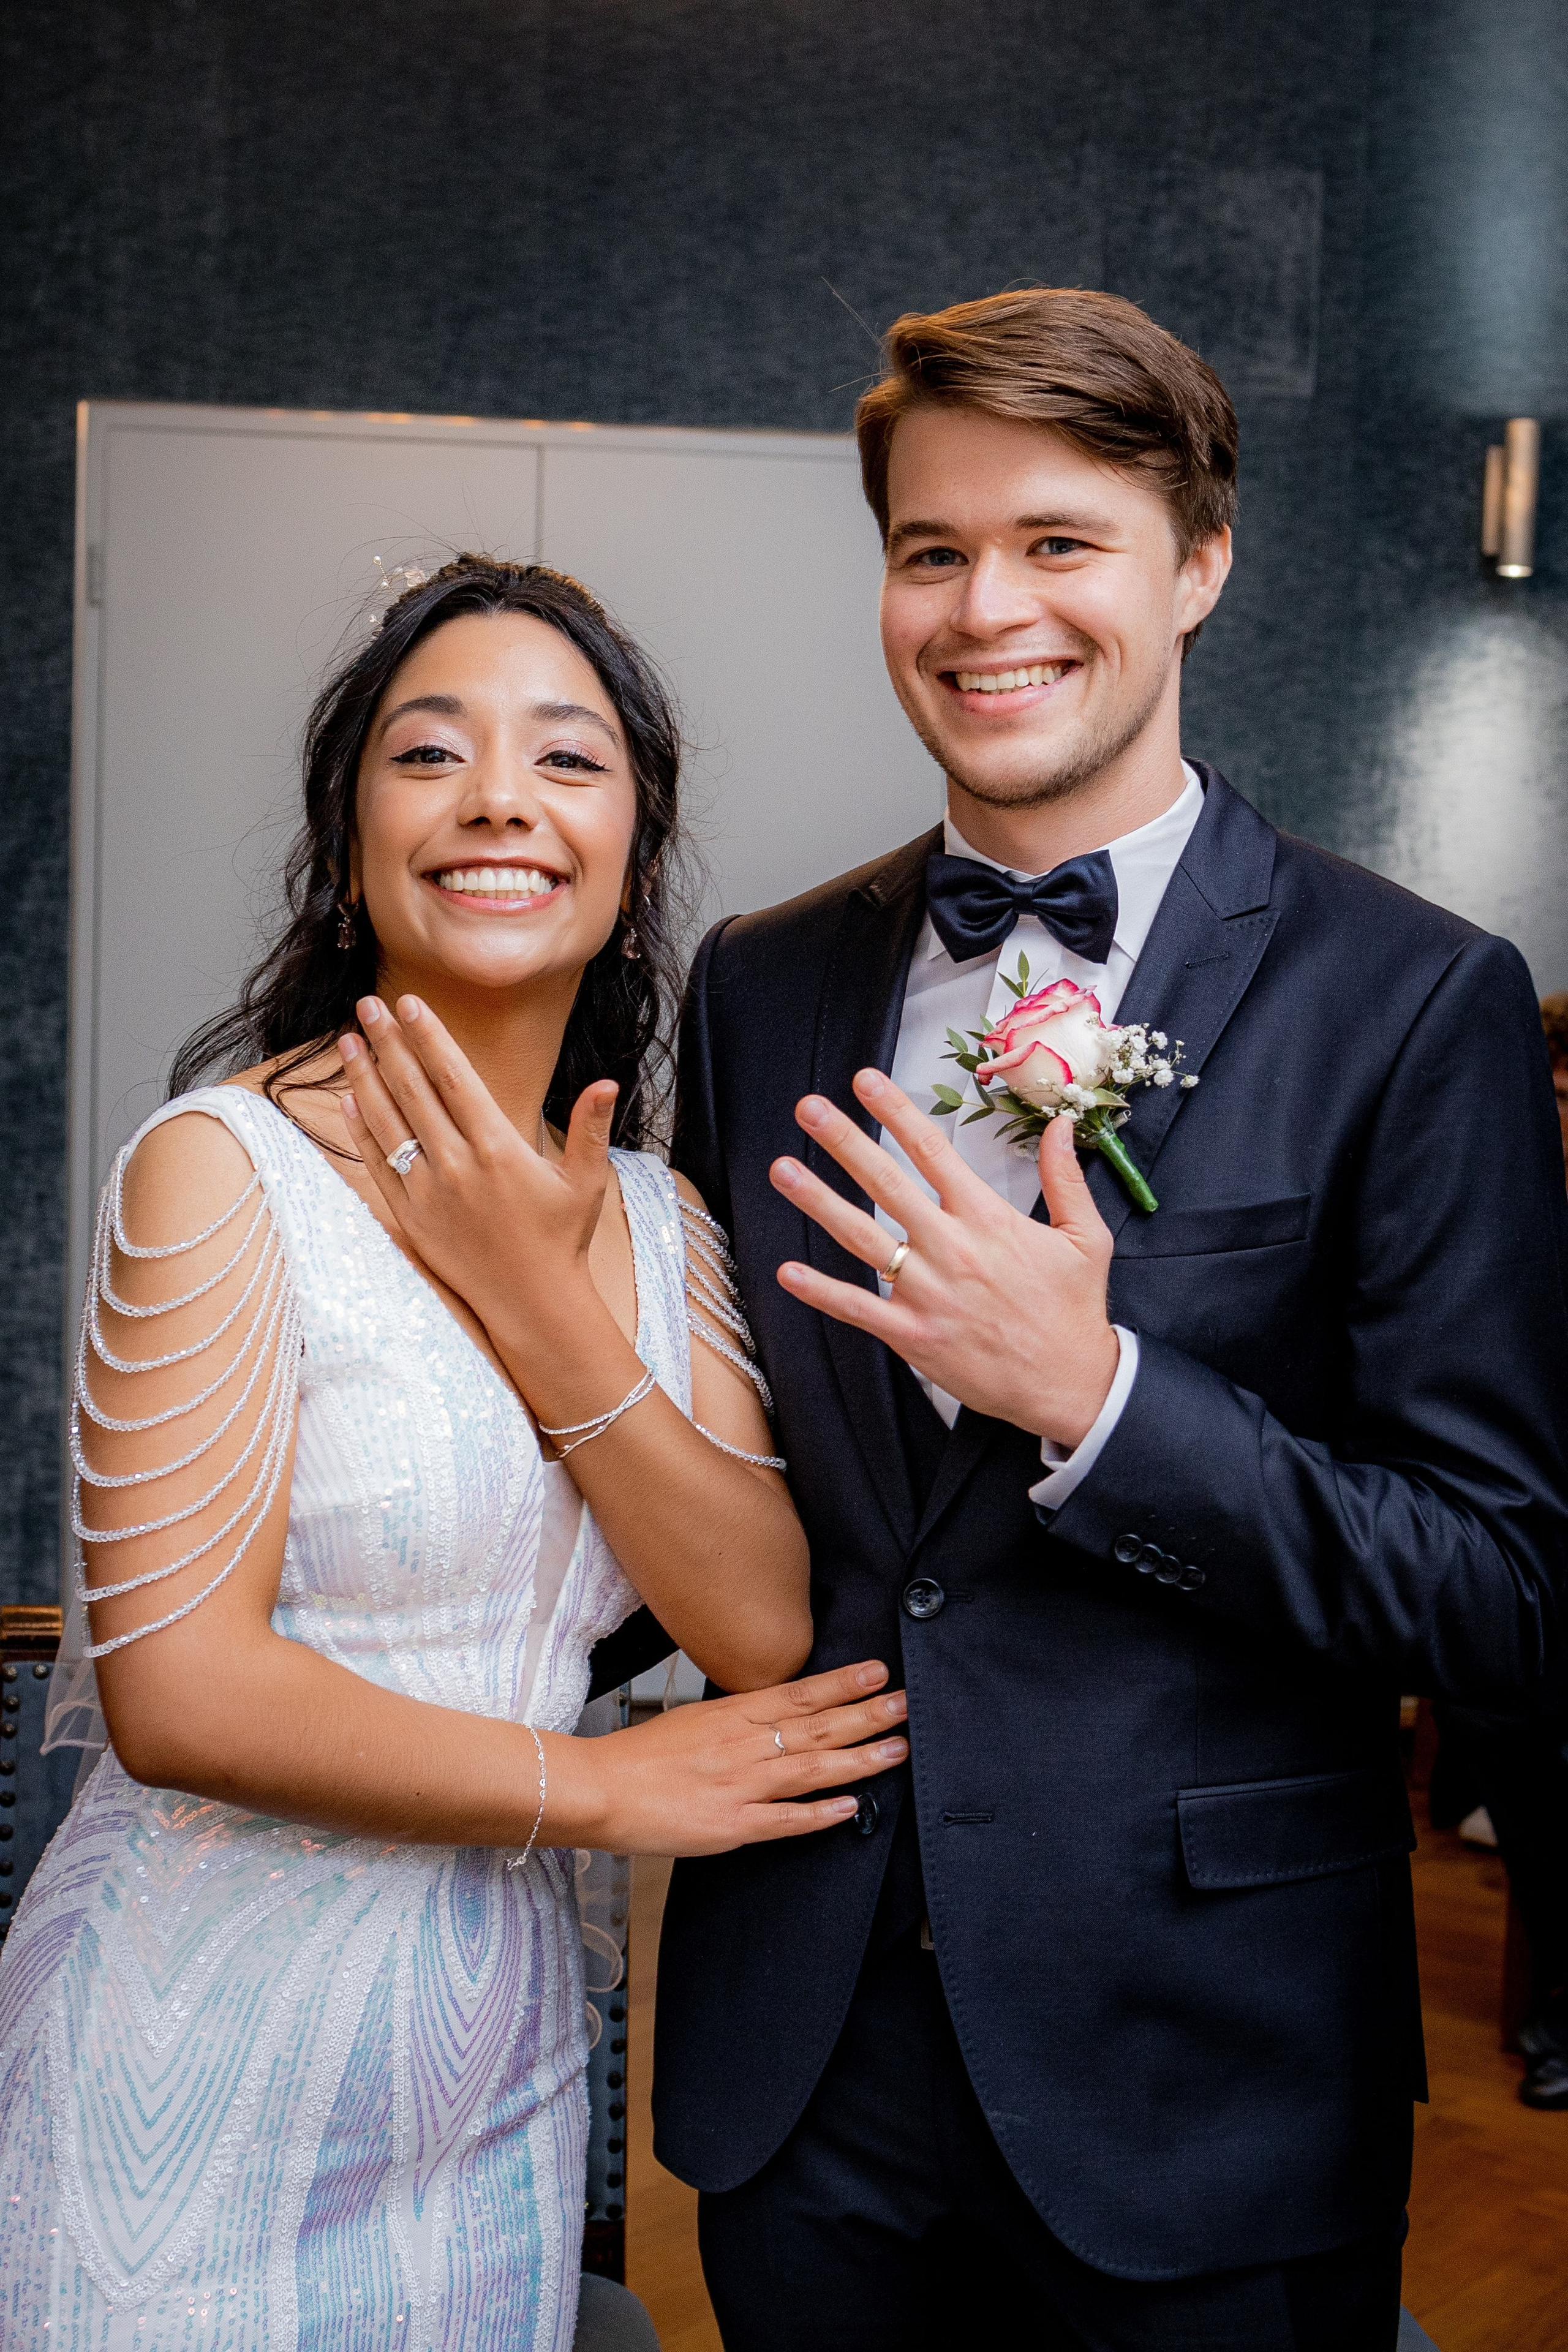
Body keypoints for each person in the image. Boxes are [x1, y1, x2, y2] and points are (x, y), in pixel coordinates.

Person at [650, 292, 1568, 2349]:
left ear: (1201, 564)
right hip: (805, 2070)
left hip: (1206, 2074)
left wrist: (1107, 1404)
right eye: (933, 550)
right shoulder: (757, 985)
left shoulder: (1416, 999)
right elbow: (720, 1486)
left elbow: (1508, 1591)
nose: (988, 609)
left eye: (1060, 541)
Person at [0, 556, 908, 2348]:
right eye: (431, 754)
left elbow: (760, 1627)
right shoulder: (220, 1170)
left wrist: (539, 1296)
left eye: (567, 759)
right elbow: (179, 1695)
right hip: (185, 2065)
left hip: (487, 2079)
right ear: (350, 853)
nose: (500, 797)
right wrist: (608, 1792)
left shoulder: (664, 1222)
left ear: (633, 858)